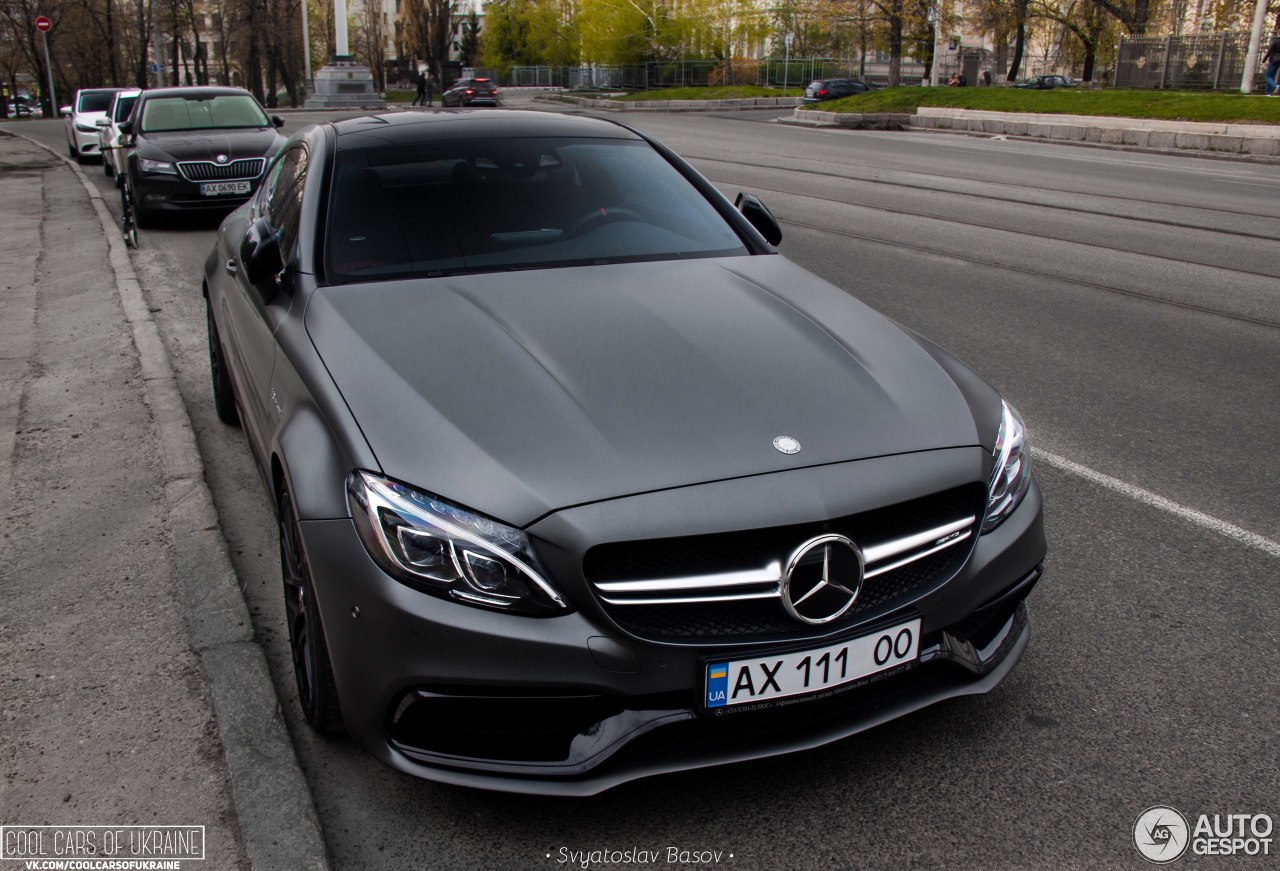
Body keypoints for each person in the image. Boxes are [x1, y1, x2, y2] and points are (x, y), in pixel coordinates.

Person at [1264, 25, 1280, 96]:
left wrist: (1264, 60)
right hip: (1279, 61)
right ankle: (1268, 92)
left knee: (1268, 76)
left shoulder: (1275, 41)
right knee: (1272, 76)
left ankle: (1275, 85)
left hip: (1273, 60)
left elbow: (1269, 51)